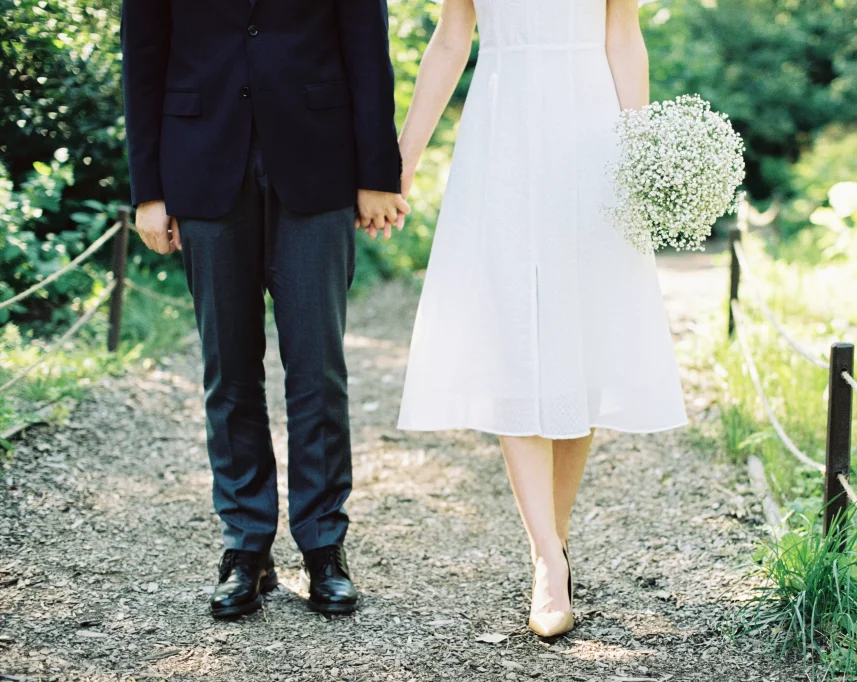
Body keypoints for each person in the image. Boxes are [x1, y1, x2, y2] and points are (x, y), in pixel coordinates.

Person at [396, 0, 688, 637]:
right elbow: (452, 38)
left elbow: (624, 36)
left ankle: (552, 541)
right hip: (501, 134)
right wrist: (406, 154)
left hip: (592, 133)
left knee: (576, 336)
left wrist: (638, 151)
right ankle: (547, 559)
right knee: (513, 334)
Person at [120, 0, 409, 619]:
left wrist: (378, 172)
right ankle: (246, 548)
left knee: (319, 371)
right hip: (200, 163)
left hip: (319, 165)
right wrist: (149, 190)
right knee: (228, 370)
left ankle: (323, 547)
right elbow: (141, 60)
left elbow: (366, 47)